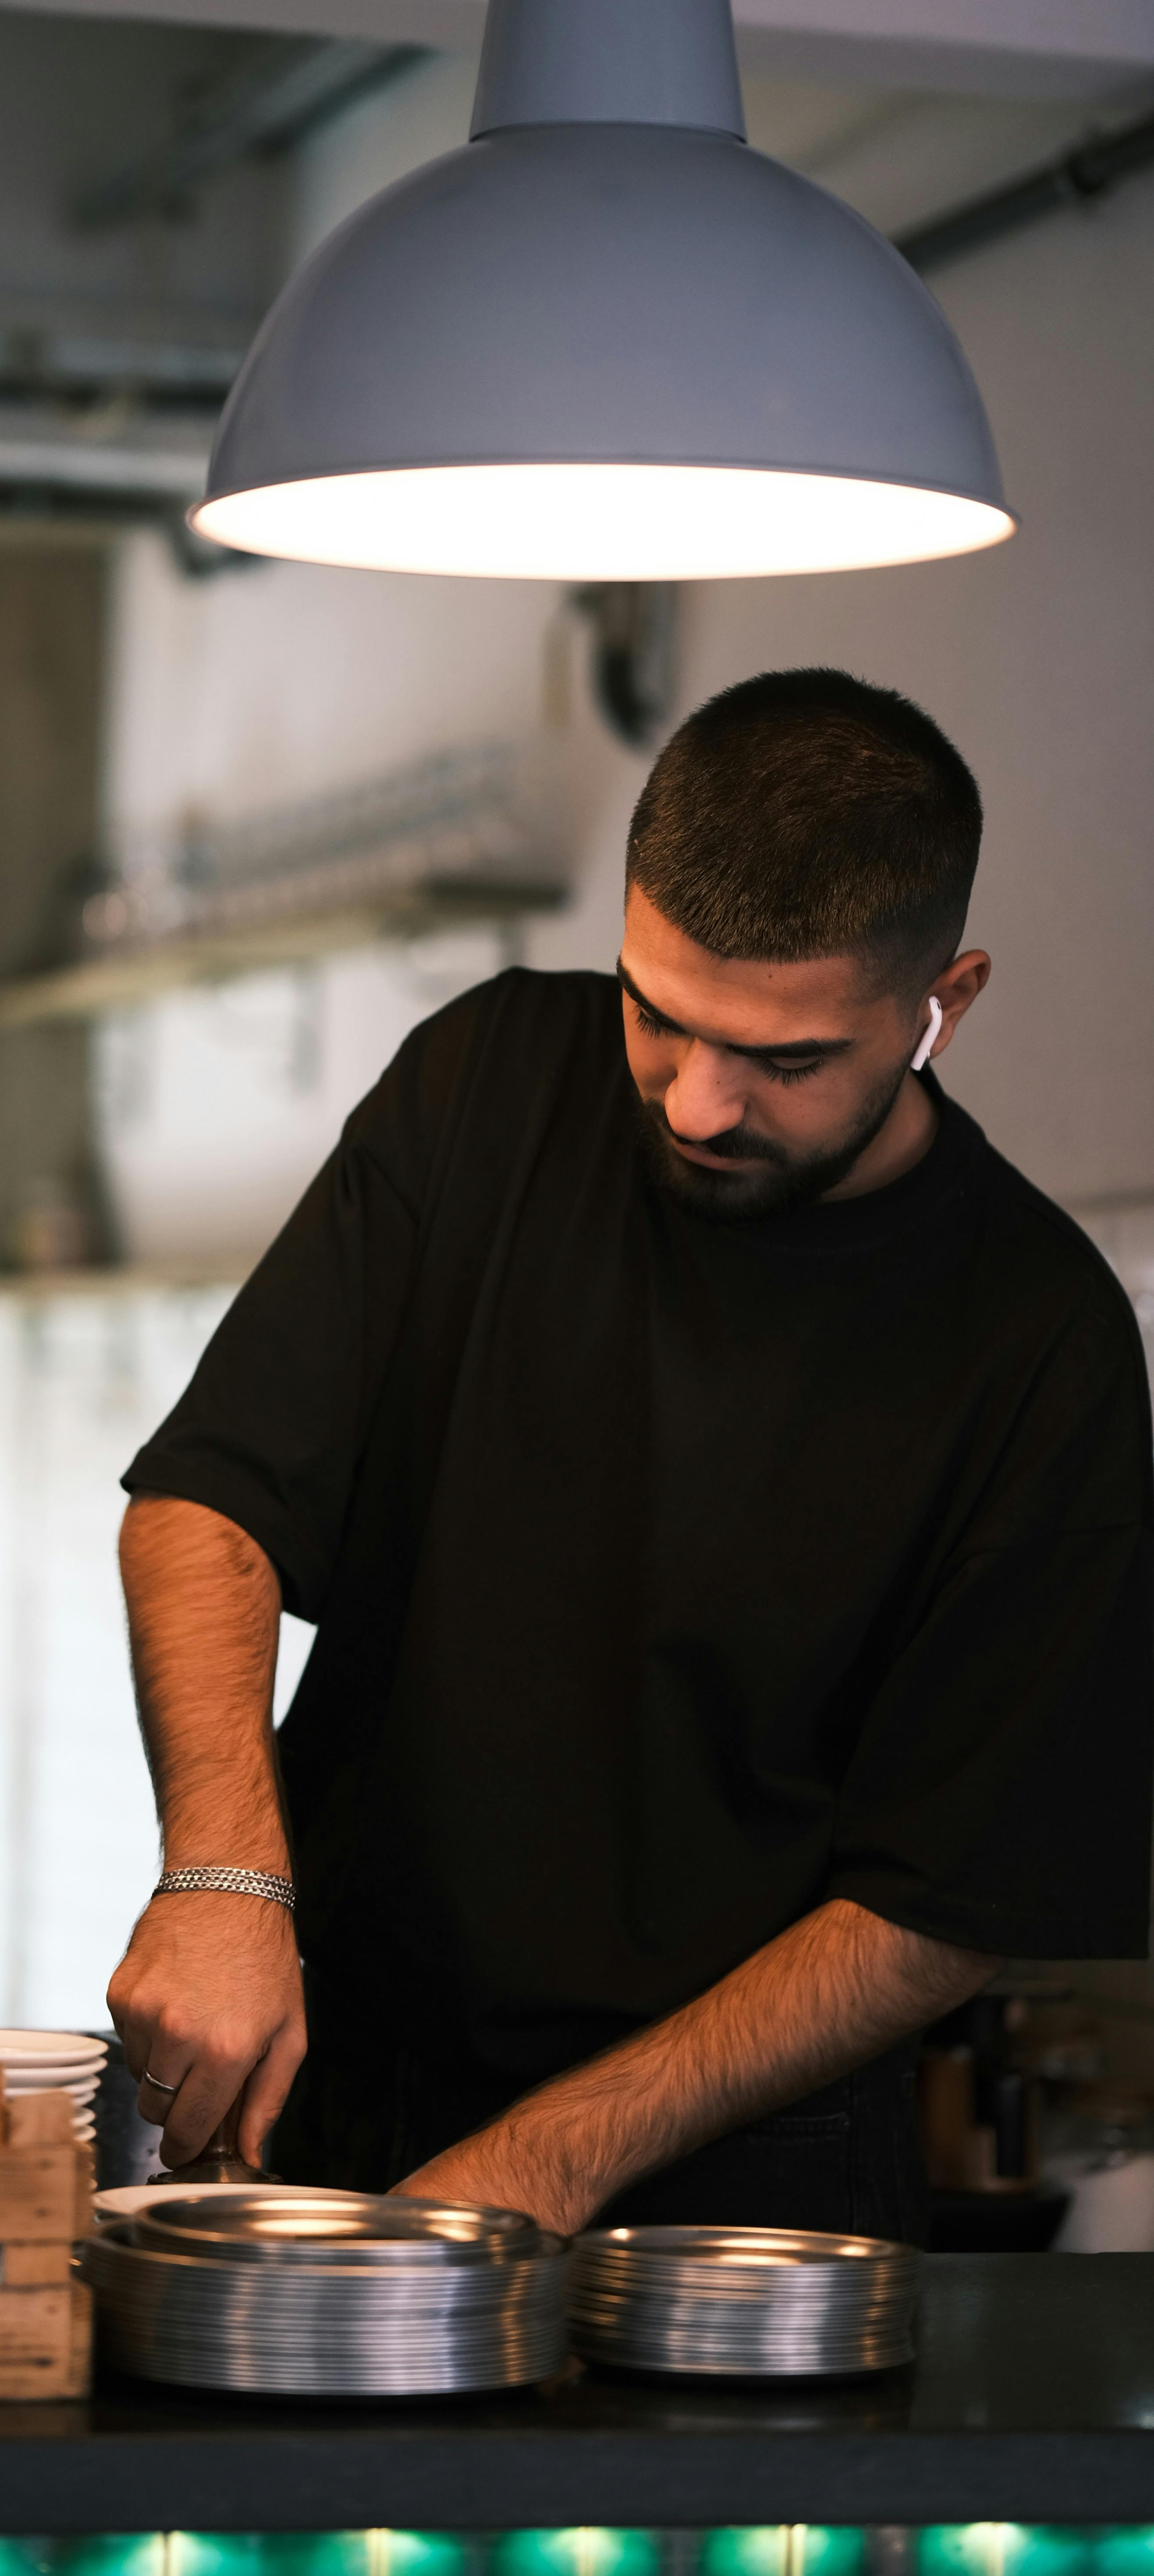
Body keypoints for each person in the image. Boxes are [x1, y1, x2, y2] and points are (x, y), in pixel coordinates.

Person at [105, 667, 1154, 2240]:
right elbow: (212, 1504)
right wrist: (224, 1880)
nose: (700, 1101)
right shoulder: (490, 1083)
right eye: (658, 1014)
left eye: (787, 1060)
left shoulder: (1040, 1342)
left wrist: (547, 2162)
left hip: (736, 2189)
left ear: (950, 997)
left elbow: (945, 1902)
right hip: (340, 2088)